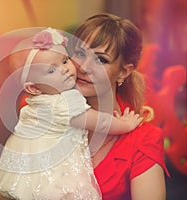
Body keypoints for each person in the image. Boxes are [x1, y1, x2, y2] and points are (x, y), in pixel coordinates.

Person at [0, 28, 143, 200]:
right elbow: (100, 122)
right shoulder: (65, 103)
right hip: (55, 176)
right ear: (33, 88)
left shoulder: (34, 104)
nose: (65, 70)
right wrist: (125, 124)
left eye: (65, 60)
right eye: (51, 71)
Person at [69, 13, 170, 199]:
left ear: (124, 71)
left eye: (101, 60)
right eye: (80, 53)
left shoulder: (143, 139)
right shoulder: (51, 116)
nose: (83, 67)